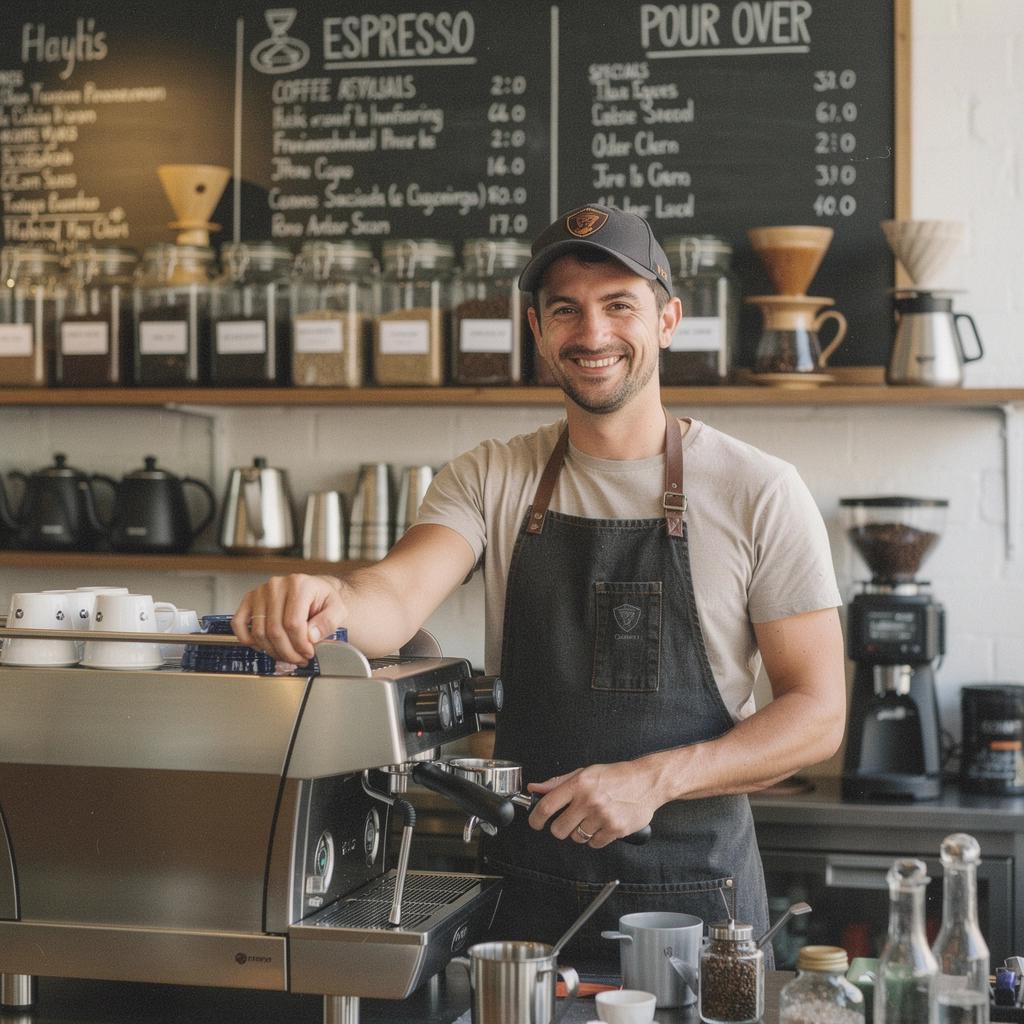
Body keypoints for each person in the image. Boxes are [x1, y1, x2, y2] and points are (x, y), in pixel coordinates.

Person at [233, 202, 846, 963]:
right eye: (566, 311)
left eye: (619, 305)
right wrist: (325, 600)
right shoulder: (491, 476)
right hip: (530, 898)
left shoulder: (759, 490)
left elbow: (818, 715)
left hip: (698, 909)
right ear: (538, 333)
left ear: (667, 320)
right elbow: (391, 598)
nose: (592, 335)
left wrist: (651, 780)